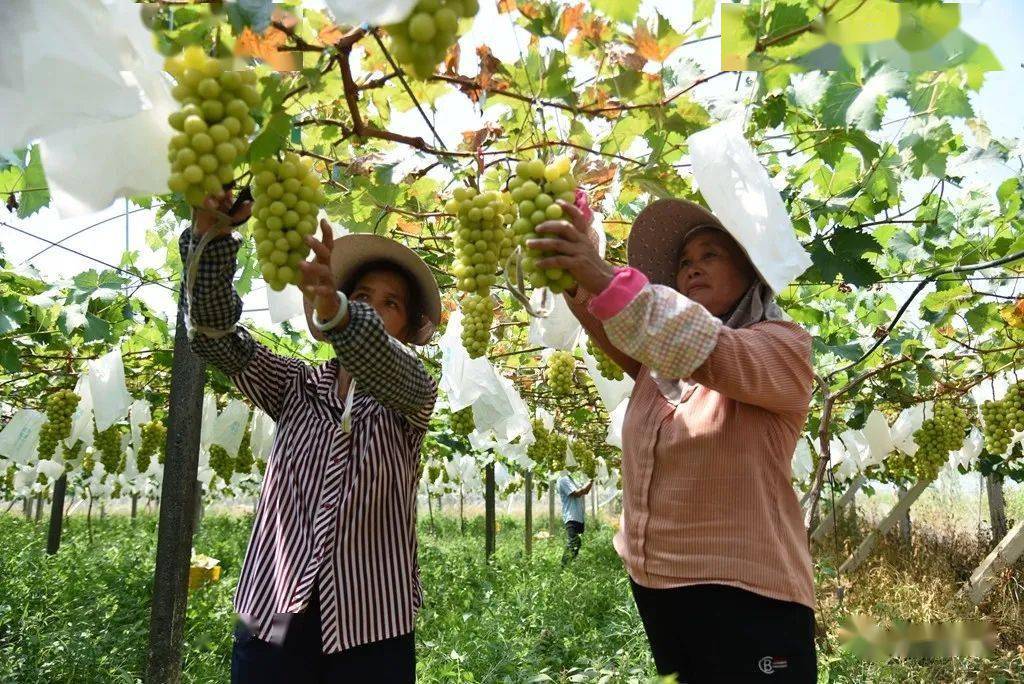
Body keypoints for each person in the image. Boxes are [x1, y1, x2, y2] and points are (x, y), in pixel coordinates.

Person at [528, 197, 816, 682]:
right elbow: (615, 324)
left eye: (711, 255)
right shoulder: (656, 368)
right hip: (658, 587)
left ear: (750, 273)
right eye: (684, 262)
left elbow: (710, 348)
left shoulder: (782, 348)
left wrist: (598, 272)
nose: (693, 269)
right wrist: (572, 268)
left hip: (747, 597)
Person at [182, 192, 441, 683]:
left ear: (407, 330)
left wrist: (340, 311)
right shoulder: (293, 387)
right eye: (361, 296)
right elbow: (212, 335)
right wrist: (209, 238)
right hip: (273, 608)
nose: (373, 309)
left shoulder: (413, 398)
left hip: (373, 622)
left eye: (391, 304)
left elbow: (385, 363)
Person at [556, 471, 592, 566]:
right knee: (573, 543)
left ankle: (568, 567)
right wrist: (592, 479)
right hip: (571, 517)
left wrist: (592, 479)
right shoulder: (563, 479)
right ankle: (563, 568)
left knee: (577, 544)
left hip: (578, 517)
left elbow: (586, 491)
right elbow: (578, 493)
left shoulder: (571, 479)